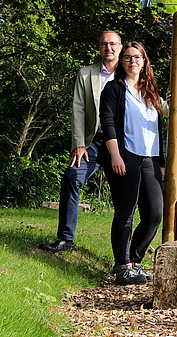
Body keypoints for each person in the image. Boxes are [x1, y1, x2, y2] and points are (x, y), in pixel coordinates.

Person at [40, 30, 122, 253]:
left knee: (125, 193)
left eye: (113, 44)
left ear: (120, 47)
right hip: (92, 142)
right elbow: (78, 109)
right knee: (71, 177)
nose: (109, 48)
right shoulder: (85, 74)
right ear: (99, 48)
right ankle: (65, 238)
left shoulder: (129, 74)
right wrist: (79, 144)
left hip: (122, 145)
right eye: (104, 44)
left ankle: (125, 254)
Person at [100, 41, 168, 285]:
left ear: (144, 61)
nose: (132, 62)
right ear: (122, 61)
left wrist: (161, 161)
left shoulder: (150, 92)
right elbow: (107, 123)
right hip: (125, 156)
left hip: (149, 158)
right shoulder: (114, 88)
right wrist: (115, 155)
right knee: (125, 212)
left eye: (137, 57)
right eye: (127, 57)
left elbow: (162, 120)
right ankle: (121, 266)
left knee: (154, 213)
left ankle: (135, 261)